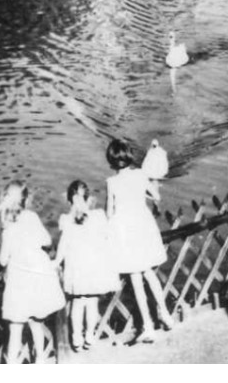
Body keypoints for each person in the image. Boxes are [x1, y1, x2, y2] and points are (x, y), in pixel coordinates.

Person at [105, 139, 174, 342]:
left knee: (136, 279)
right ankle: (165, 314)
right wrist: (147, 193)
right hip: (143, 226)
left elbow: (109, 213)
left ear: (110, 160)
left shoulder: (111, 182)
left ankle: (148, 326)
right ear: (130, 156)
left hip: (125, 230)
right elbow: (156, 196)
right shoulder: (141, 175)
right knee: (150, 274)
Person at [0, 181, 64, 364]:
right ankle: (40, 359)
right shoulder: (32, 217)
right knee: (37, 323)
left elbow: (2, 260)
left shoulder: (8, 227)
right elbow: (47, 241)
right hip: (39, 277)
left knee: (15, 329)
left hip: (20, 281)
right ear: (26, 200)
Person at [54, 180, 118, 351]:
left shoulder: (66, 220)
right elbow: (107, 238)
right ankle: (90, 336)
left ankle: (76, 338)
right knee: (92, 303)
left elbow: (63, 246)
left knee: (78, 304)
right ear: (89, 198)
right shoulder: (98, 216)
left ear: (69, 201)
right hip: (94, 268)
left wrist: (56, 262)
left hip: (77, 269)